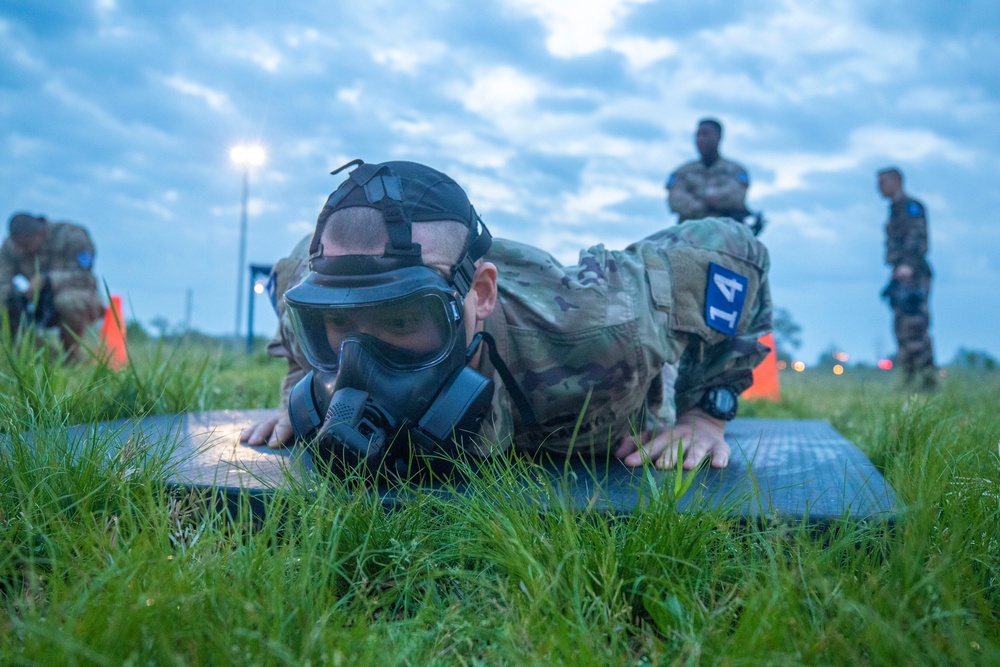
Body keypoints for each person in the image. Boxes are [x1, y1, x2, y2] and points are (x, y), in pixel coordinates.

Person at [240, 160, 772, 474]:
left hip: (613, 385)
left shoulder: (606, 327)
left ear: (481, 294)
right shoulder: (309, 293)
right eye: (338, 324)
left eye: (402, 322)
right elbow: (295, 281)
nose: (359, 364)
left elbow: (734, 249)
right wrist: (300, 385)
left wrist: (705, 412)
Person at [0, 212, 103, 361]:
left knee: (67, 302)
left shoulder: (72, 236)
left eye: (26, 245)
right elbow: (2, 282)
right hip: (35, 303)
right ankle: (43, 356)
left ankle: (72, 357)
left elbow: (85, 277)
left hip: (77, 298)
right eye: (18, 246)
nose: (21, 250)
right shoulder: (11, 246)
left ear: (40, 234)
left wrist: (47, 279)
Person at [877, 167, 937, 391]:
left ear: (897, 181)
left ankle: (926, 382)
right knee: (902, 328)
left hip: (913, 276)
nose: (879, 188)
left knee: (915, 328)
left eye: (883, 182)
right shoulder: (894, 209)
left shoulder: (911, 207)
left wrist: (907, 266)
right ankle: (911, 380)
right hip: (900, 276)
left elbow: (918, 239)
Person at [666, 118, 751, 224]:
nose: (700, 139)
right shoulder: (682, 172)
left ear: (718, 137)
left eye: (706, 134)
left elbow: (736, 197)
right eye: (698, 135)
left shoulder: (736, 171)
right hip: (690, 233)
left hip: (728, 232)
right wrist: (707, 204)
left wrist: (699, 197)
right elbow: (676, 200)